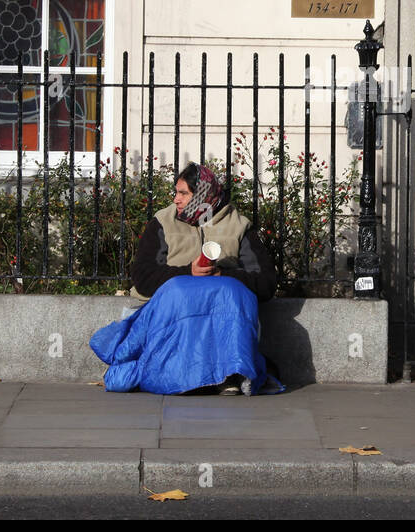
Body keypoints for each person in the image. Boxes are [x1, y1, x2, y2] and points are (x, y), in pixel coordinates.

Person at [89, 162, 282, 396]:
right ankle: (177, 375)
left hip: (218, 309)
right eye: (176, 192)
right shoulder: (162, 222)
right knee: (180, 290)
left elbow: (265, 282)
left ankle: (227, 374)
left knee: (231, 290)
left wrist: (222, 274)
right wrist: (186, 272)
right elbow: (143, 277)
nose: (176, 199)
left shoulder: (237, 225)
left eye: (183, 193)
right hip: (172, 308)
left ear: (202, 196)